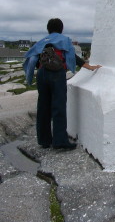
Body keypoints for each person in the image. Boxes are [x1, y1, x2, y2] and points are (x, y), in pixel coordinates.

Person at [23, 18, 101, 150]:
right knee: (58, 107)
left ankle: (44, 140)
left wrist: (30, 77)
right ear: (61, 29)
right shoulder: (64, 40)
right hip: (56, 74)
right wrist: (89, 67)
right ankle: (60, 141)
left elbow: (31, 60)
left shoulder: (42, 42)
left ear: (48, 29)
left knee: (43, 107)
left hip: (42, 74)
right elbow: (72, 58)